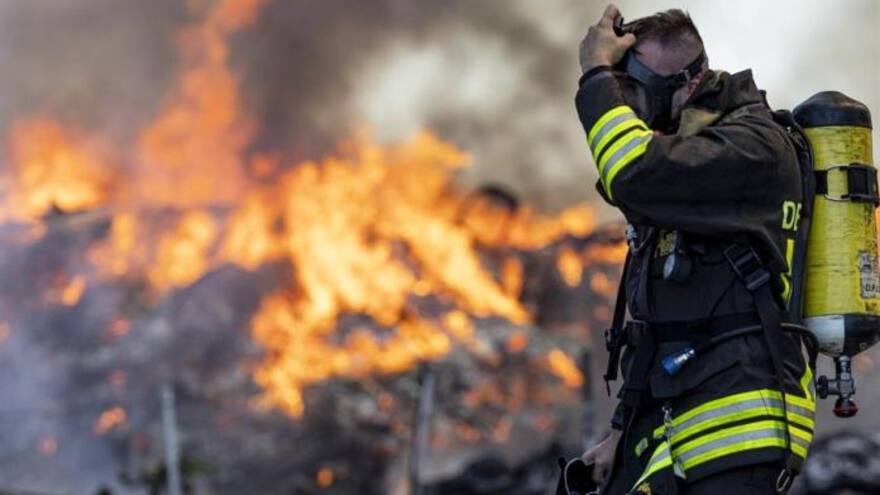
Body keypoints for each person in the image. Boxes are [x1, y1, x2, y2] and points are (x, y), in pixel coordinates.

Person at [575, 5, 817, 495]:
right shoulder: (692, 171)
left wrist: (596, 74)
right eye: (621, 92)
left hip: (736, 428)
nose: (631, 107)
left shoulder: (749, 149)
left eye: (636, 91)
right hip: (681, 426)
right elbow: (662, 326)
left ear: (692, 81)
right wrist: (623, 433)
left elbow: (631, 172)